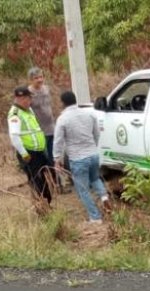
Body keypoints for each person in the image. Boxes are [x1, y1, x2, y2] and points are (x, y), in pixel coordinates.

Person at [53, 90, 109, 224]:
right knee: (95, 179)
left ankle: (95, 217)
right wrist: (93, 147)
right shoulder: (89, 113)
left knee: (83, 190)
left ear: (62, 103)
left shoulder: (63, 119)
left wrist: (57, 159)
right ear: (75, 100)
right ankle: (105, 198)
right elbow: (97, 133)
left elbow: (58, 141)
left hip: (78, 159)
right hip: (93, 155)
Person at [7, 85, 53, 205]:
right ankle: (43, 207)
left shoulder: (28, 110)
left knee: (44, 178)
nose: (29, 101)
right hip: (29, 153)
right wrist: (24, 154)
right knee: (37, 181)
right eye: (27, 99)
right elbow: (14, 136)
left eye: (29, 98)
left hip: (39, 151)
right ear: (19, 99)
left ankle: (47, 203)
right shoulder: (15, 114)